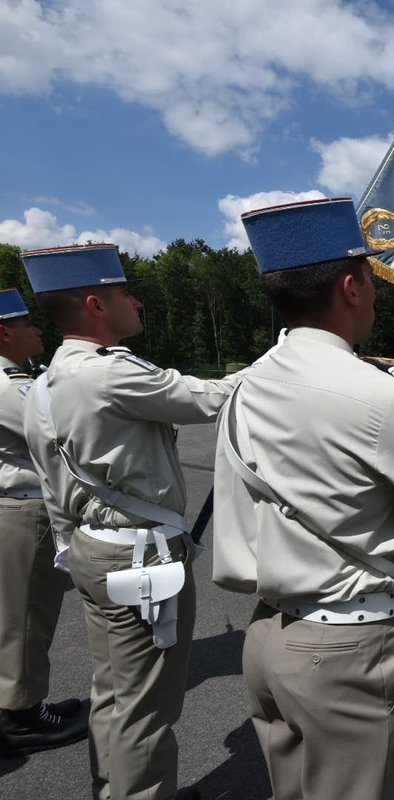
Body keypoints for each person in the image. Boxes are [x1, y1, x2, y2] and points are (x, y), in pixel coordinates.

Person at [214, 197, 394, 799]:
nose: (375, 295)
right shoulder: (379, 395)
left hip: (270, 636)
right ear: (350, 286)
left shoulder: (246, 384)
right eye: (372, 280)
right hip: (348, 649)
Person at [21, 243, 241, 800]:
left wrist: (75, 550)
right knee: (147, 706)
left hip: (94, 549)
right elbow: (216, 397)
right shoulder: (109, 374)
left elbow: (53, 487)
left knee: (114, 692)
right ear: (96, 304)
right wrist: (294, 353)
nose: (137, 301)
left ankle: (112, 789)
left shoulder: (43, 384)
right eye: (125, 293)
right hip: (139, 555)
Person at [0, 288, 86, 756]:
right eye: (26, 324)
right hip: (24, 507)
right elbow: (57, 433)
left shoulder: (19, 377)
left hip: (24, 504)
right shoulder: (6, 385)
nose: (36, 330)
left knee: (22, 613)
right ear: (2, 332)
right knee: (26, 615)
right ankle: (22, 715)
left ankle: (23, 700)